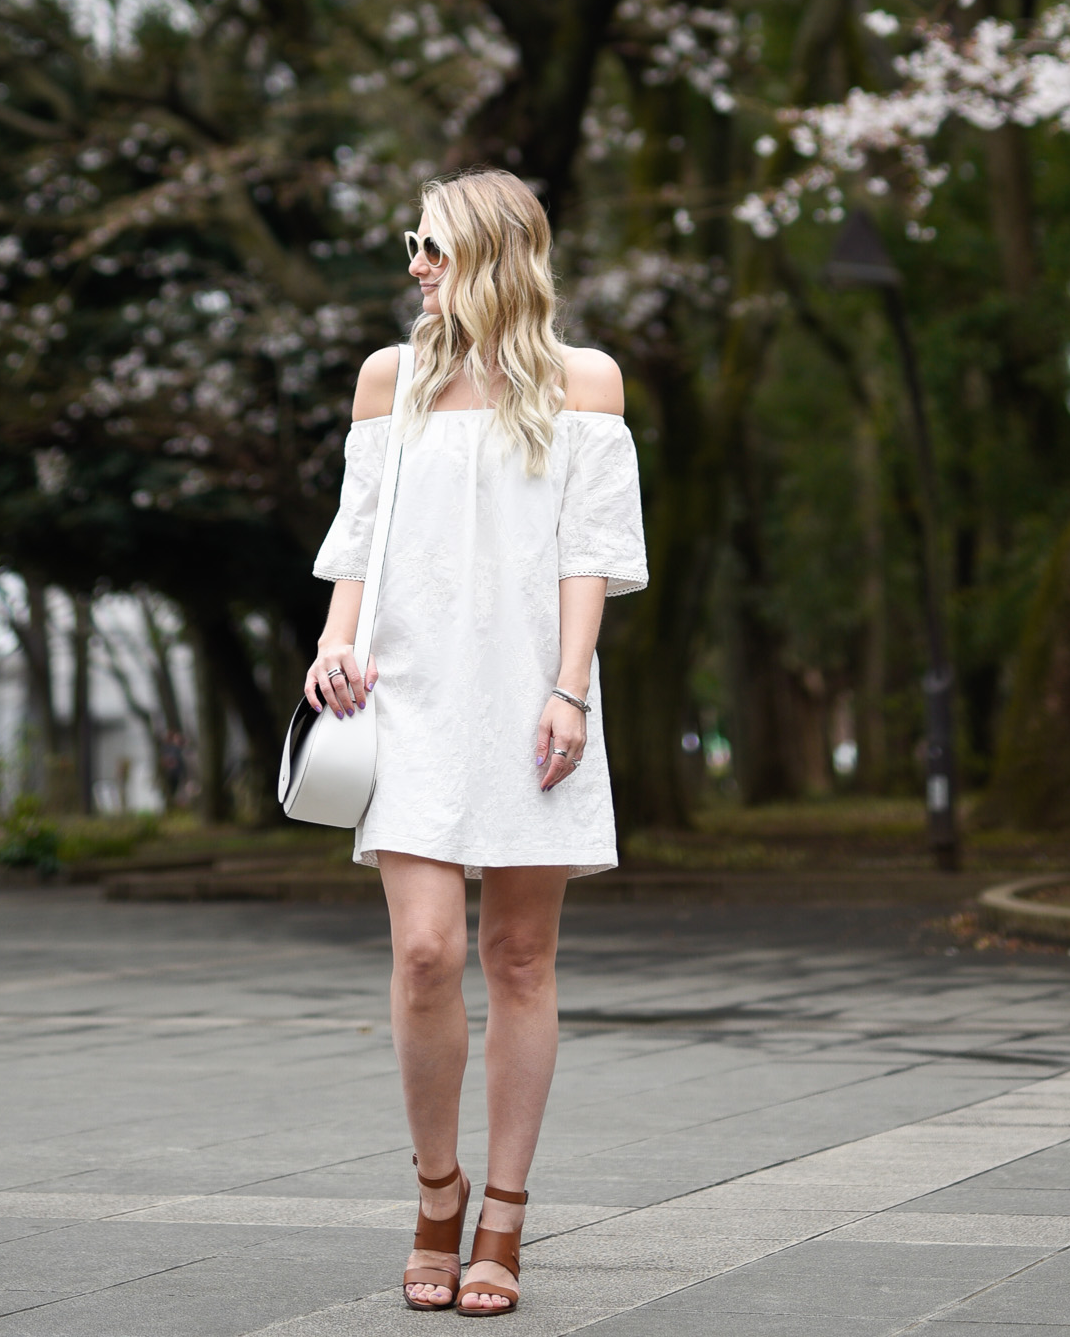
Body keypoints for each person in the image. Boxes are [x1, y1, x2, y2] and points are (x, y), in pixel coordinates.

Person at [308, 168, 647, 1316]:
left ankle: (503, 1213)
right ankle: (435, 1192)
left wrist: (569, 689)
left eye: (435, 246)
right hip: (402, 695)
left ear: (499, 253)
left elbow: (589, 552)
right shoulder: (389, 380)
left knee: (517, 956)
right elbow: (357, 536)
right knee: (423, 951)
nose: (415, 264)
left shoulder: (582, 380)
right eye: (414, 242)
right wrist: (331, 642)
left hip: (530, 697)